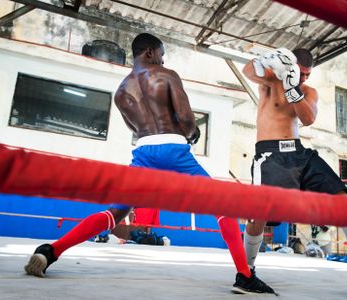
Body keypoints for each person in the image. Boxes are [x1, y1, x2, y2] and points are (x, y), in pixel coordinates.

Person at [24, 33, 275, 295]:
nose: (163, 60)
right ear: (149, 53)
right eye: (161, 54)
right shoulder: (166, 75)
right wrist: (191, 134)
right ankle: (245, 276)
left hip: (143, 152)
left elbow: (134, 129)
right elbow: (188, 121)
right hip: (174, 150)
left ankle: (51, 251)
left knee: (115, 213)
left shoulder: (121, 92)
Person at [241, 48, 347, 292]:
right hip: (270, 154)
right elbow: (248, 71)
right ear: (291, 67)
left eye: (308, 74)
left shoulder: (307, 91)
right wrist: (264, 59)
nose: (305, 79)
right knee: (258, 217)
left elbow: (308, 119)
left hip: (299, 153)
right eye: (301, 73)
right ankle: (246, 271)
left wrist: (293, 88)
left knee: (343, 200)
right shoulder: (270, 81)